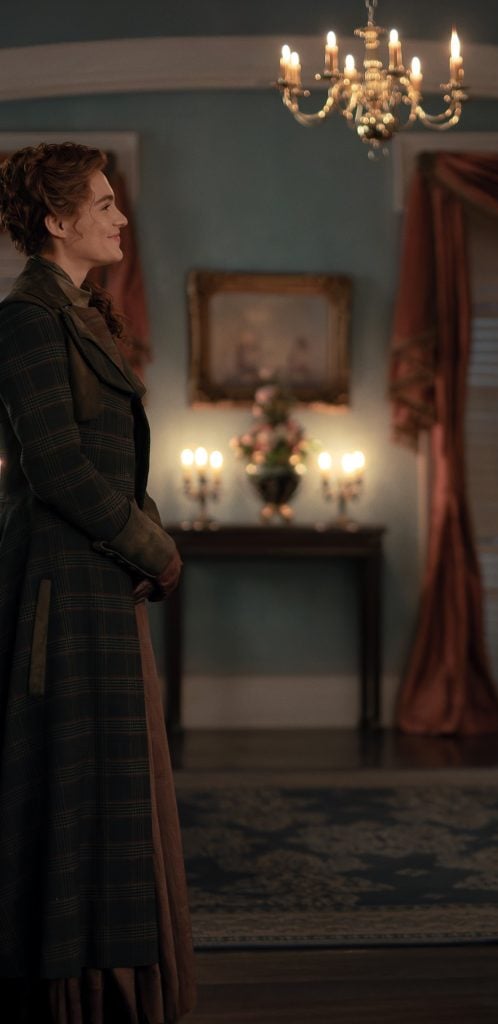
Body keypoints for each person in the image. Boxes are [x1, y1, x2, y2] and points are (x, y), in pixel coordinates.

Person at [0, 143, 195, 1022]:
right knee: (69, 788)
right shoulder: (26, 319)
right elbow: (56, 467)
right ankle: (61, 987)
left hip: (94, 577)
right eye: (106, 205)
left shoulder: (78, 313)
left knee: (110, 788)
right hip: (59, 587)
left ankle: (104, 980)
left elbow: (110, 460)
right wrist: (151, 547)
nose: (121, 219)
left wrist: (138, 535)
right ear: (56, 220)